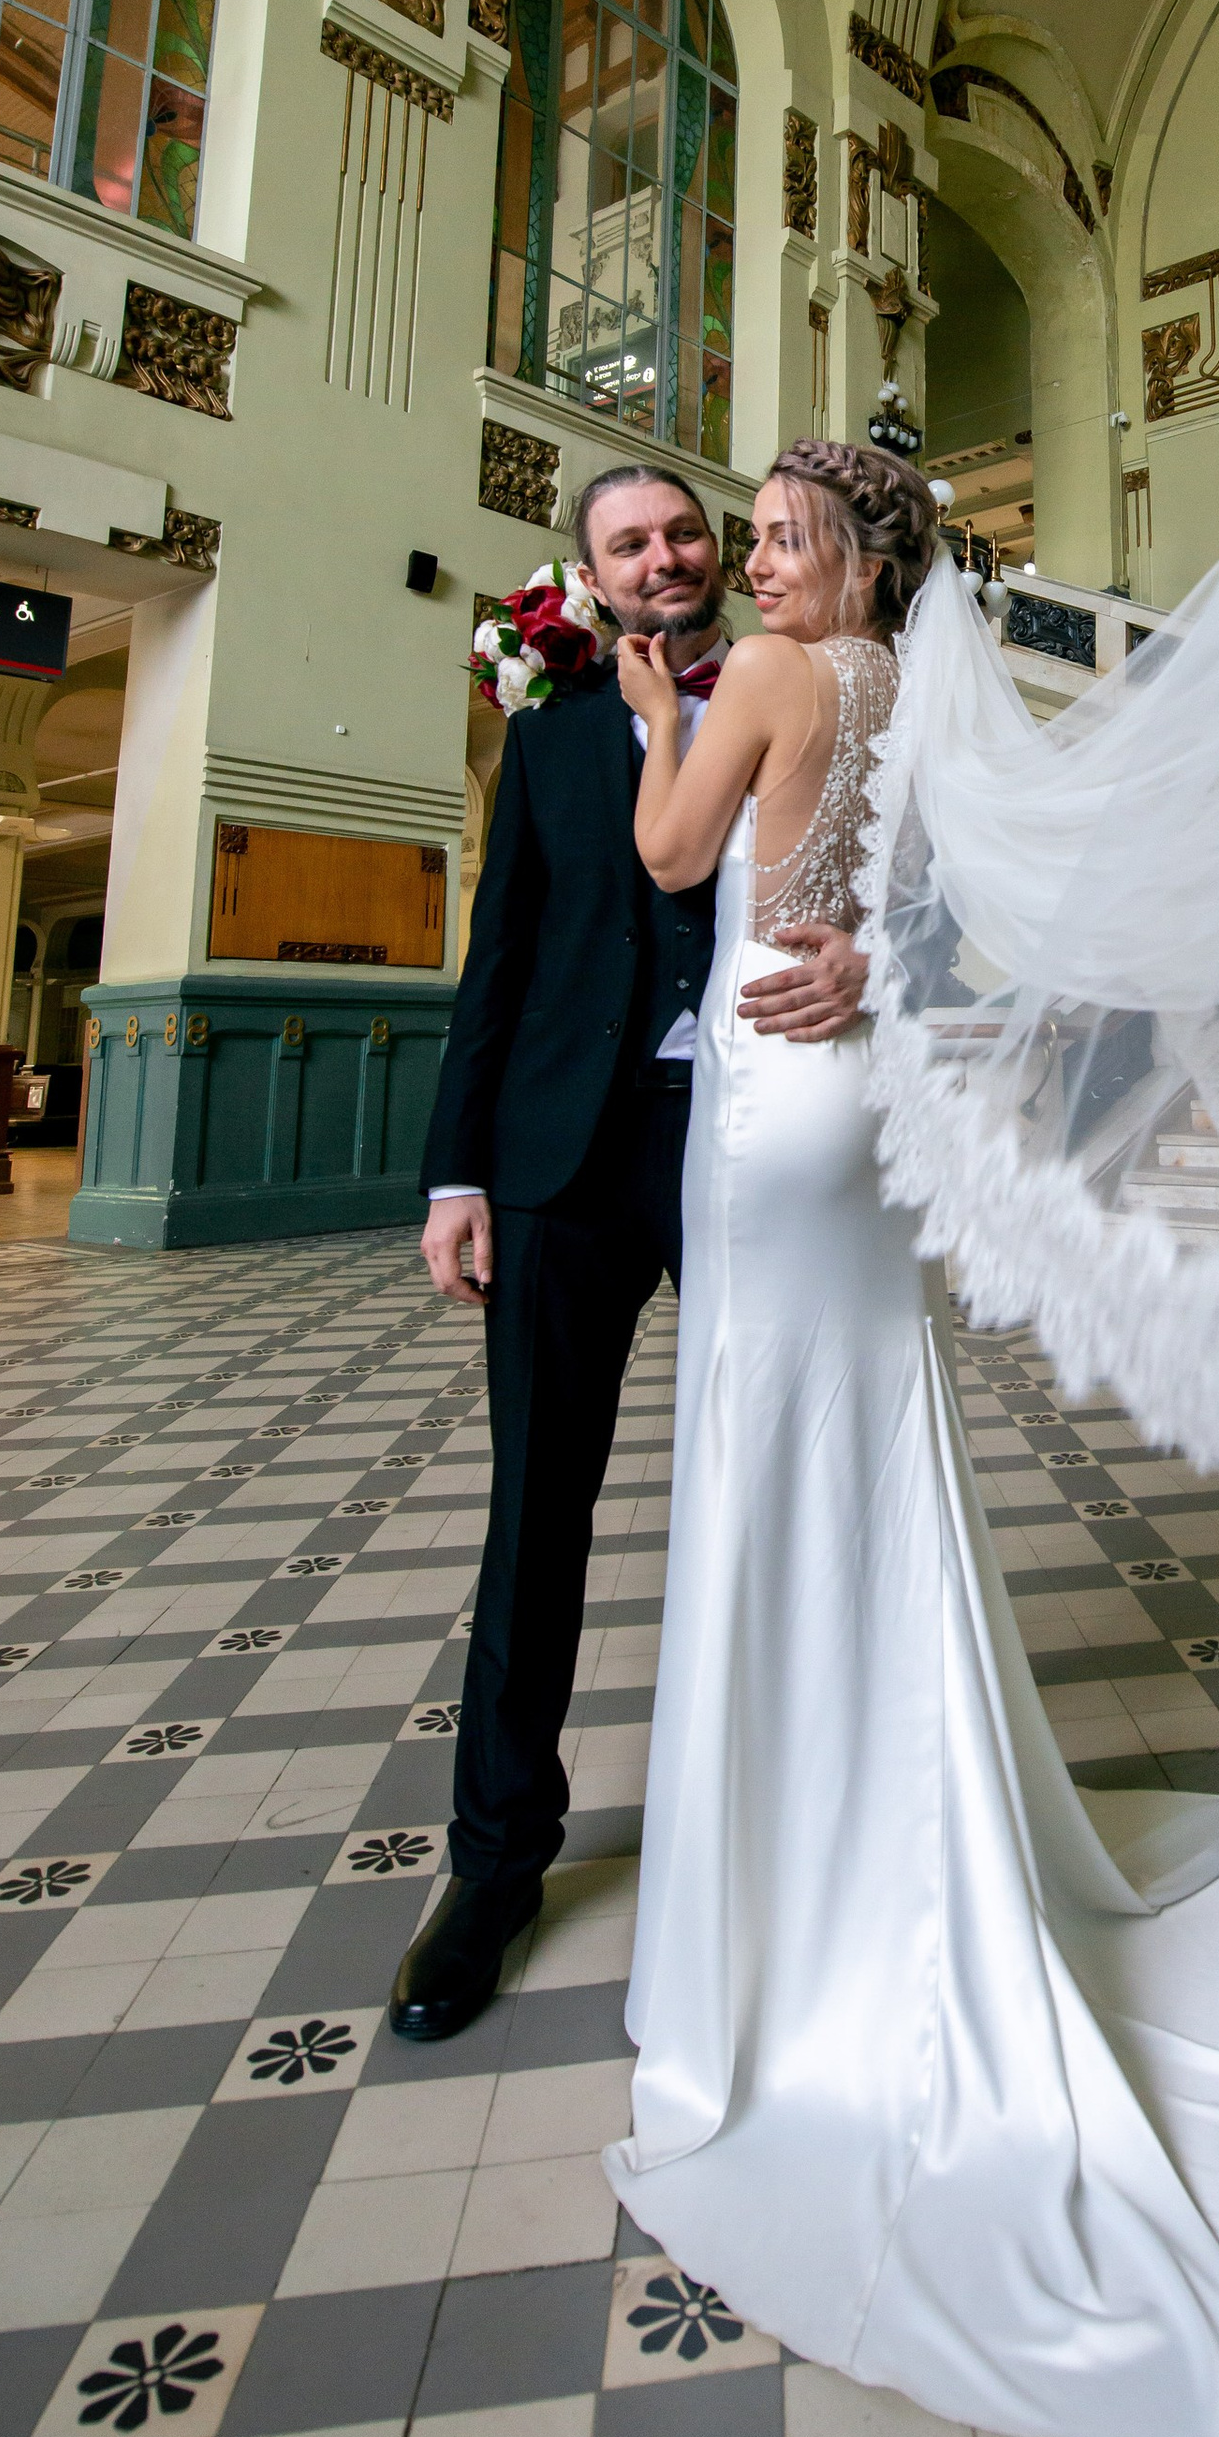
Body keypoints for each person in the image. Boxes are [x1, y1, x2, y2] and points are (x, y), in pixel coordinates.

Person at [602, 437, 1219, 2437]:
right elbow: (960, 917)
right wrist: (873, 948)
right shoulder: (916, 699)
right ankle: (867, 1800)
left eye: (783, 540)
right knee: (865, 1447)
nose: (754, 564)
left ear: (859, 568)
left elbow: (676, 864)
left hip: (774, 1122)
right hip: (858, 1093)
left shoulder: (766, 683)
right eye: (750, 541)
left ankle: (788, 1876)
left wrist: (647, 712)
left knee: (773, 1456)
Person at [391, 464, 869, 2045]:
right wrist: (458, 1169)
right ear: (588, 576)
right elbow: (501, 958)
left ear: (718, 551)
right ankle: (494, 1866)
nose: (662, 558)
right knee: (535, 1512)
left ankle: (802, 1822)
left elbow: (910, 878)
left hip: (754, 1143)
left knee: (777, 1480)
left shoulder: (810, 684)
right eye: (628, 543)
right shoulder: (546, 739)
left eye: (681, 532)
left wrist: (877, 950)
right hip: (560, 1164)